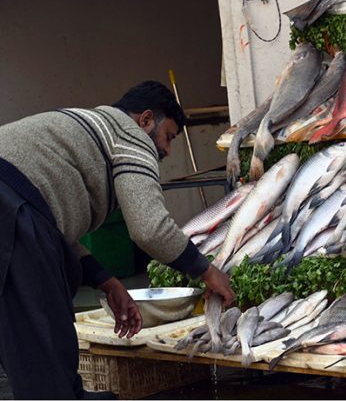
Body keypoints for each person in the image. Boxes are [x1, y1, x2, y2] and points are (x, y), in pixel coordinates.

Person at [0, 80, 235, 399]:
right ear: (146, 119)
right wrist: (207, 271)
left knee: (27, 348)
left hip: (17, 211)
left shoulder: (85, 127)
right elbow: (149, 228)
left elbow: (52, 226)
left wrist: (107, 282)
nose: (166, 150)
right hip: (11, 215)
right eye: (168, 136)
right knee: (46, 356)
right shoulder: (128, 135)